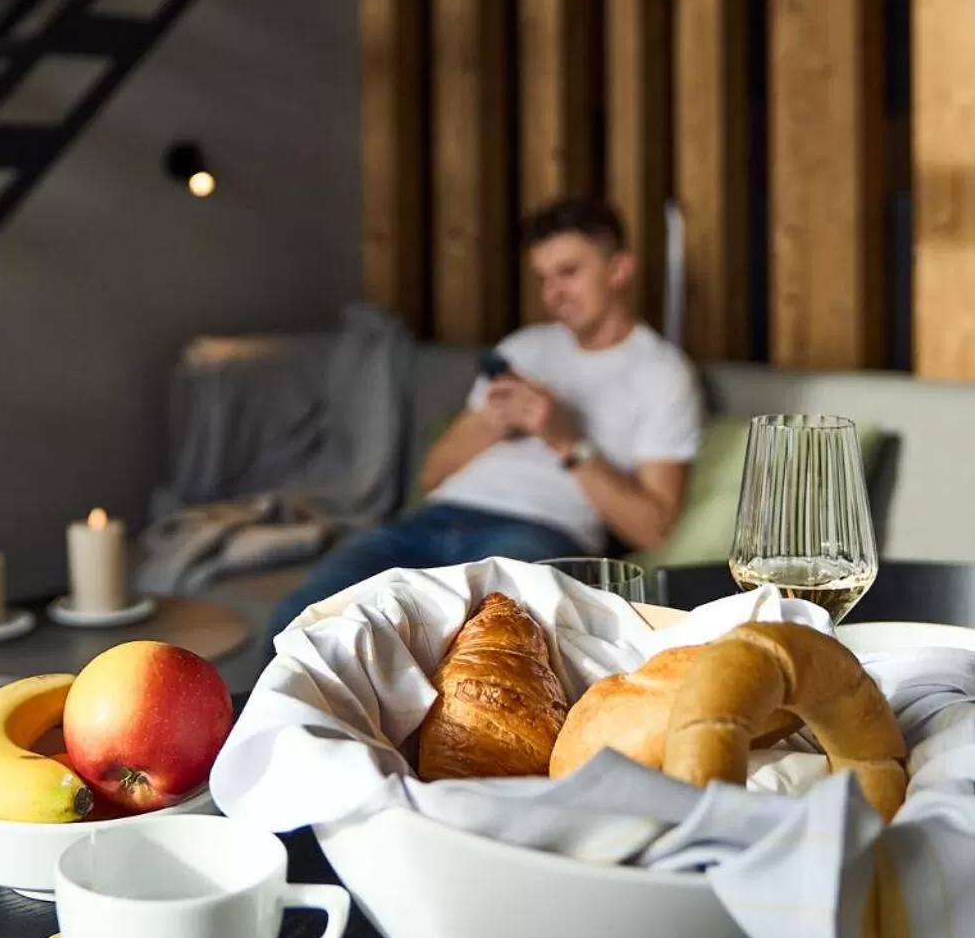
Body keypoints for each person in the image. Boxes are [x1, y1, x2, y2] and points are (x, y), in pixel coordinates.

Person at [267, 196, 702, 640]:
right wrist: (491, 422)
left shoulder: (662, 373)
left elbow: (652, 528)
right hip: (433, 520)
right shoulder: (522, 348)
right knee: (300, 621)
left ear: (619, 269)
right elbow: (432, 476)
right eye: (543, 278)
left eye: (569, 272)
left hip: (540, 532)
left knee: (487, 640)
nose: (553, 294)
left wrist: (565, 439)